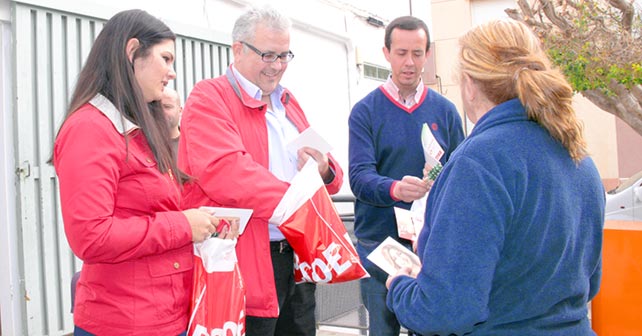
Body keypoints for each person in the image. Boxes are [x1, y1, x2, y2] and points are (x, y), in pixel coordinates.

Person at [385, 19, 605, 335]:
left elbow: (445, 309)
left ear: (470, 84)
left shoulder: (480, 161)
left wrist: (401, 287)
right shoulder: (578, 156)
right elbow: (588, 281)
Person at [52, 9, 237, 335]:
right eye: (165, 59)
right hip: (126, 320)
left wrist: (203, 220)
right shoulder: (90, 128)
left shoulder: (137, 131)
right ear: (132, 51)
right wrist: (182, 225)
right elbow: (91, 237)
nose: (172, 73)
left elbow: (153, 208)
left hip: (164, 312)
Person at [178, 5, 343, 336]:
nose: (278, 66)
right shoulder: (210, 97)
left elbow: (331, 171)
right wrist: (301, 206)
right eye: (269, 55)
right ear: (237, 49)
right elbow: (228, 174)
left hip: (295, 258)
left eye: (285, 56)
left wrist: (324, 169)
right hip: (243, 260)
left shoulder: (288, 101)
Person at [348, 15, 465, 335]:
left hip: (433, 247)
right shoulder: (365, 111)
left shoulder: (446, 111)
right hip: (381, 246)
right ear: (386, 53)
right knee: (383, 330)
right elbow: (358, 177)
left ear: (428, 54)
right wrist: (395, 189)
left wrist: (440, 179)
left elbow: (464, 175)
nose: (409, 62)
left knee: (431, 329)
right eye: (401, 53)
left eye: (417, 53)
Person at [161, 87, 182, 155]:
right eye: (157, 107)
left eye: (167, 107)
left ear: (180, 111)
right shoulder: (142, 144)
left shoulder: (192, 144)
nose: (161, 111)